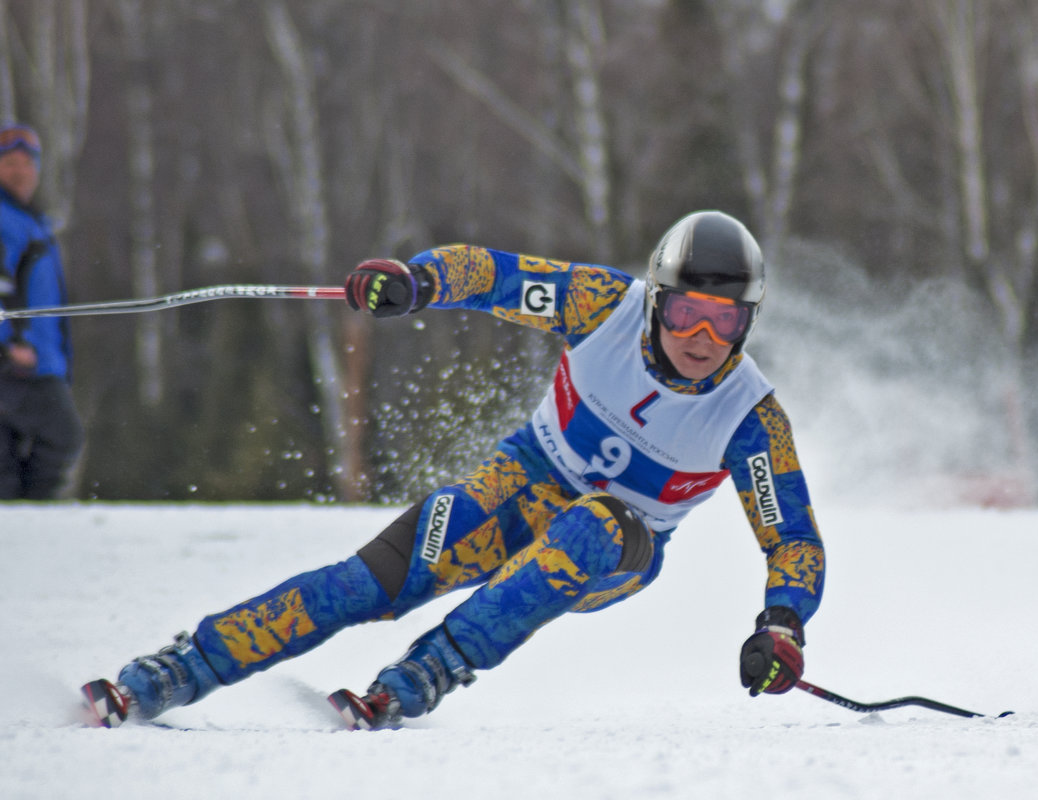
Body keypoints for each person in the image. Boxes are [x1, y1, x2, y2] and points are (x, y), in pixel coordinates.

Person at [81, 210, 825, 729]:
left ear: (748, 322)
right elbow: (490, 273)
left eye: (724, 319)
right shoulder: (604, 306)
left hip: (620, 552)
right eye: (687, 312)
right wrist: (415, 283)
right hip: (521, 481)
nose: (701, 335)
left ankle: (433, 668)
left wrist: (782, 624)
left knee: (596, 523)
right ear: (657, 300)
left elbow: (792, 539)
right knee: (363, 585)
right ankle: (184, 666)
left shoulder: (750, 418)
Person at [0, 122, 83, 500]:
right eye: (11, 163)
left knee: (9, 459)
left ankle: (22, 522)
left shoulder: (31, 220)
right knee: (61, 437)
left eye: (27, 163)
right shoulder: (6, 221)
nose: (21, 172)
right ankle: (30, 517)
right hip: (17, 361)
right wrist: (10, 343)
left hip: (40, 358)